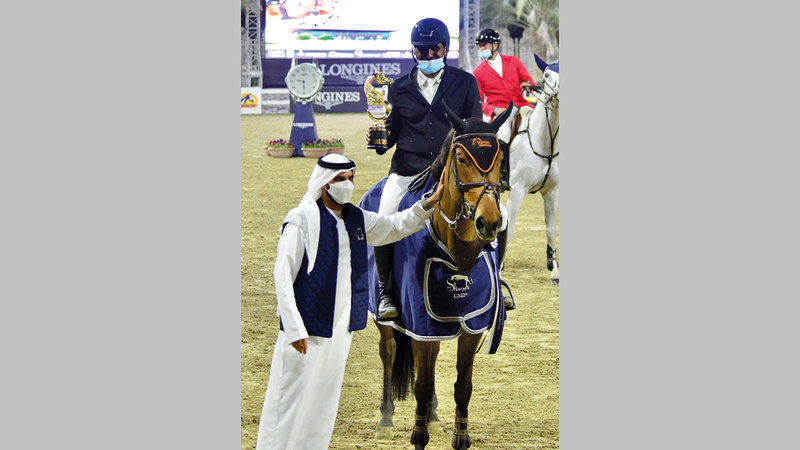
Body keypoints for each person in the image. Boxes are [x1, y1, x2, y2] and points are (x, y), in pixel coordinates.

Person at [255, 153, 444, 450]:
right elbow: (283, 276)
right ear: (324, 183)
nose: (347, 185)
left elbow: (393, 226)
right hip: (306, 331)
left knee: (323, 403)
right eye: (339, 179)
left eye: (350, 178)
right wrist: (293, 328)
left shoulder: (356, 218)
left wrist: (425, 206)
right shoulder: (301, 221)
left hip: (341, 331)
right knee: (288, 401)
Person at [367, 17, 482, 320]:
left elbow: (474, 128)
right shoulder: (399, 88)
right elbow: (393, 129)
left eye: (435, 50)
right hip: (408, 168)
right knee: (385, 216)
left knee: (498, 216)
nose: (429, 55)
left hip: (450, 170)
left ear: (445, 49)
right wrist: (380, 139)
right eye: (422, 50)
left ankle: (495, 278)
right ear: (413, 51)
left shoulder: (465, 83)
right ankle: (385, 290)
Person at [472, 27, 538, 191]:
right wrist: (495, 111)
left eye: (484, 45)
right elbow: (479, 102)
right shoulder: (478, 72)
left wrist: (528, 85)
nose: (481, 49)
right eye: (479, 46)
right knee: (503, 134)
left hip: (522, 105)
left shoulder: (513, 61)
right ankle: (502, 174)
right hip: (502, 111)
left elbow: (528, 81)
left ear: (495, 45)